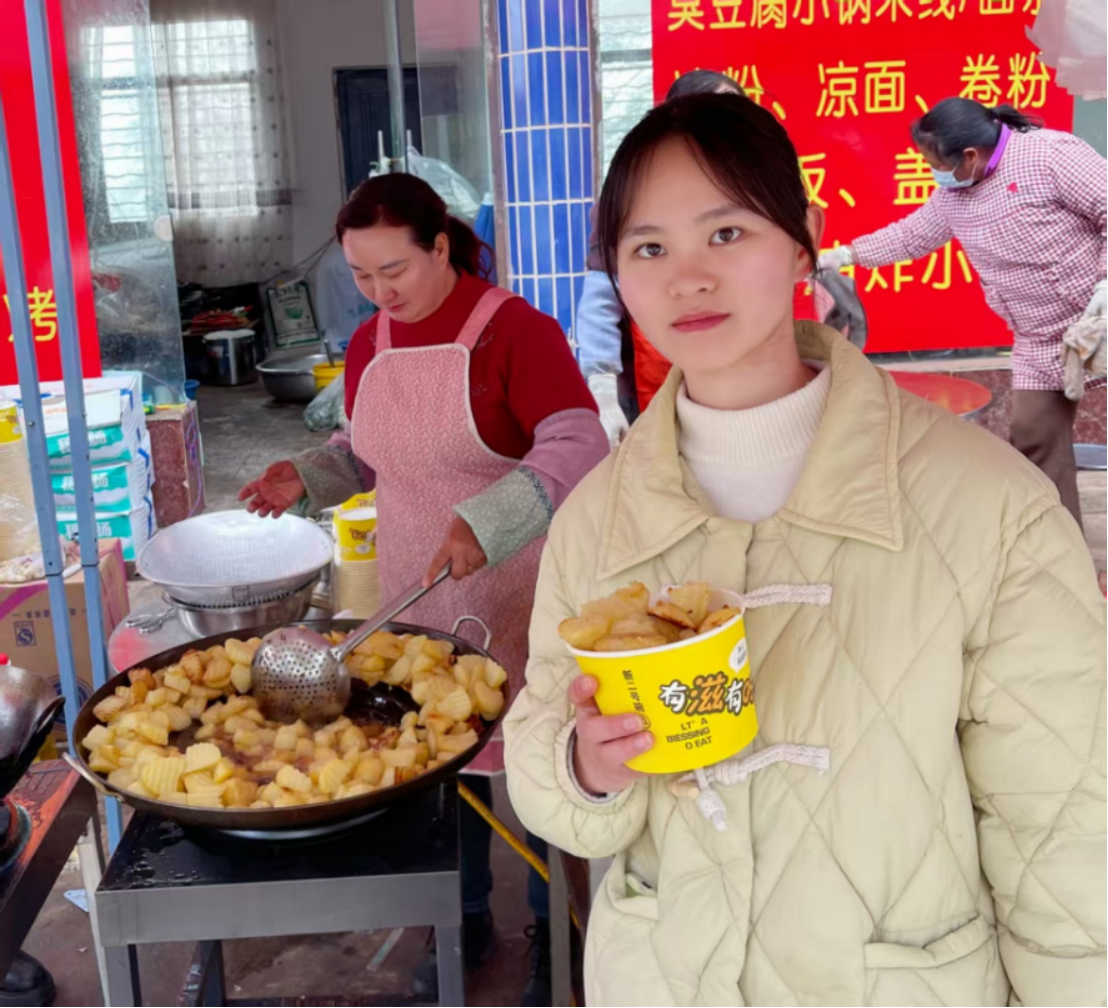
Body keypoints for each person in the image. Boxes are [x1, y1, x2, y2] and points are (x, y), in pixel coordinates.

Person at [505, 94, 1106, 1006]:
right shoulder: (597, 519)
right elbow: (555, 782)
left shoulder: (990, 506)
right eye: (649, 248)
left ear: (803, 243)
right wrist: (586, 769)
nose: (688, 279)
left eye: (728, 233)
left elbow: (1061, 827)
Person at [240, 173, 608, 1007]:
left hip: (520, 587)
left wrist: (491, 518)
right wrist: (308, 475)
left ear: (441, 246)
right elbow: (366, 452)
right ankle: (463, 917)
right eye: (361, 275)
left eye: (394, 270)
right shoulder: (371, 343)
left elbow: (578, 440)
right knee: (437, 763)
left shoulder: (514, 331)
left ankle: (556, 933)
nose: (379, 292)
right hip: (416, 592)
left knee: (541, 768)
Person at [820, 97, 1106, 528]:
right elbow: (911, 236)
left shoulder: (1050, 156)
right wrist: (842, 256)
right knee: (1034, 439)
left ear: (970, 156)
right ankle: (1061, 550)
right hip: (1038, 338)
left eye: (936, 163)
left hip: (1097, 315)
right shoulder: (956, 194)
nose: (933, 171)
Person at [576, 70, 751, 445]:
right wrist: (602, 385)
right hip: (653, 377)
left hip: (744, 373)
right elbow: (601, 294)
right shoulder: (629, 195)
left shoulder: (760, 192)